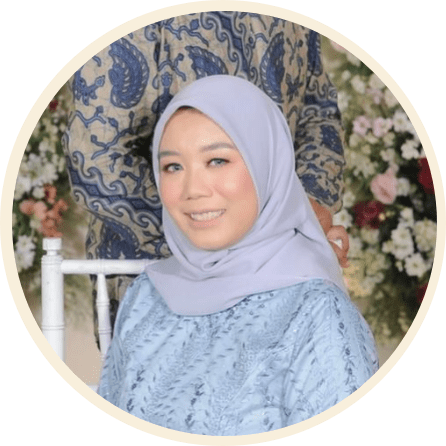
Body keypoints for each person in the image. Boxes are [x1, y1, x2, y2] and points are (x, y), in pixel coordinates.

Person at [97, 76, 378, 435]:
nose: (193, 190)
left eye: (217, 160)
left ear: (267, 164)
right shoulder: (146, 295)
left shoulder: (315, 310)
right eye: (173, 167)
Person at [62, 13, 348, 338]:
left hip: (287, 270)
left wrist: (308, 204)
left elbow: (318, 112)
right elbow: (97, 160)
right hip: (159, 284)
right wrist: (222, 238)